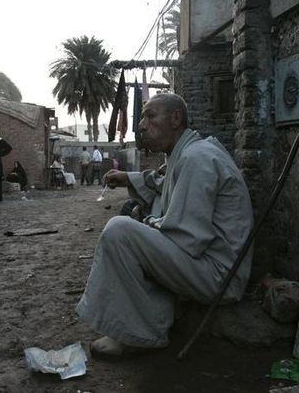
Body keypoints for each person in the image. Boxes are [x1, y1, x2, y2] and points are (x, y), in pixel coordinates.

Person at [75, 93, 254, 357]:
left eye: (150, 116)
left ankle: (142, 334)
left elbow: (185, 239)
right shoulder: (185, 154)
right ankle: (150, 316)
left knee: (119, 231)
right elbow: (161, 182)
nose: (142, 125)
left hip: (217, 274)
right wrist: (128, 179)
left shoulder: (197, 158)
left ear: (175, 118)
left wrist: (146, 225)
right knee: (137, 215)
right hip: (204, 264)